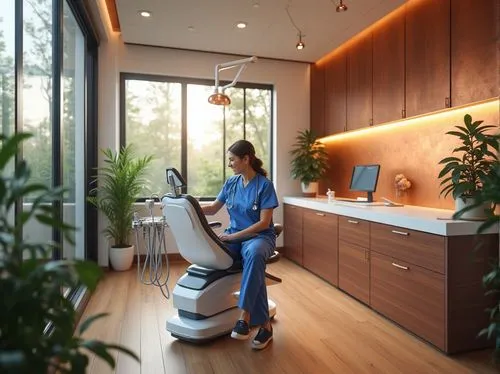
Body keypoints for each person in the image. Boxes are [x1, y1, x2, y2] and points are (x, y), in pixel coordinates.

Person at [201, 139, 279, 350]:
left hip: (260, 237)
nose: (230, 164)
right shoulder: (231, 183)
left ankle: (244, 316)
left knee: (254, 256)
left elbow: (263, 223)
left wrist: (234, 238)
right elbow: (212, 208)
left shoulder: (264, 185)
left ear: (246, 159)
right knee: (251, 269)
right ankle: (265, 327)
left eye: (232, 159)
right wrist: (186, 203)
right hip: (234, 235)